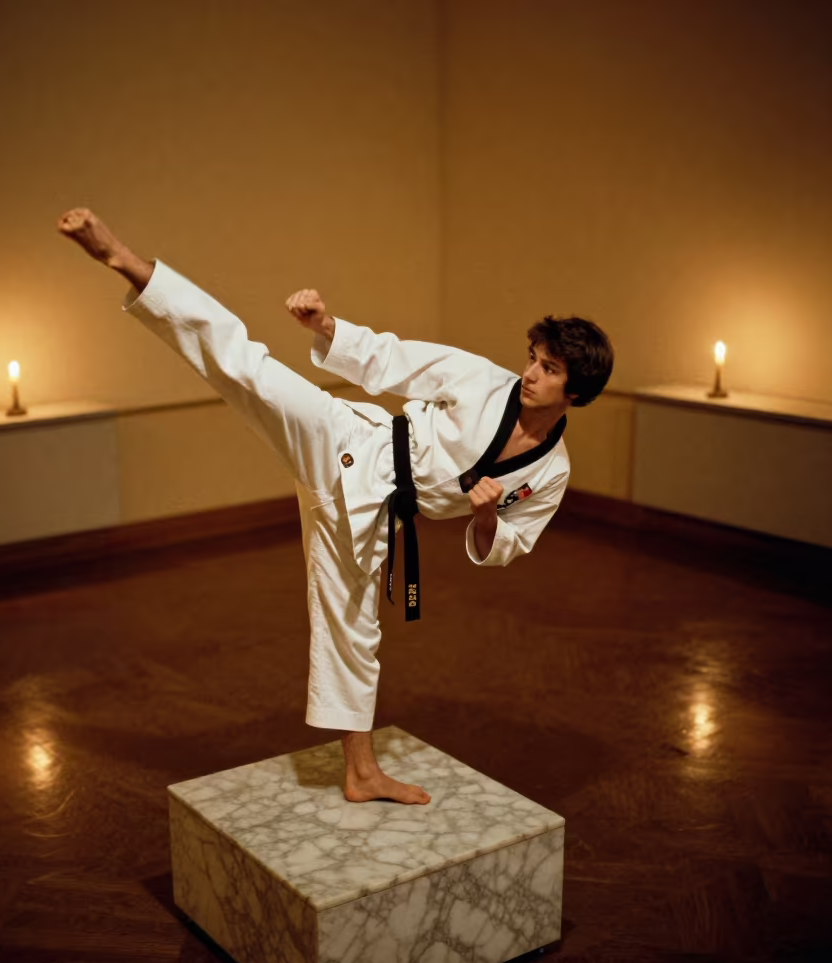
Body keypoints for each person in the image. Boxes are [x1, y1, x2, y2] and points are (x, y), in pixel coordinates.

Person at [57, 208, 614, 805]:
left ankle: (361, 772)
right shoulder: (482, 379)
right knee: (249, 368)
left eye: (548, 369)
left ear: (575, 394)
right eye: (533, 357)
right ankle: (127, 262)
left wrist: (482, 515)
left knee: (355, 632)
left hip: (373, 515)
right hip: (351, 442)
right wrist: (325, 326)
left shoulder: (551, 473)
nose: (530, 373)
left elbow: (510, 544)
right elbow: (394, 359)